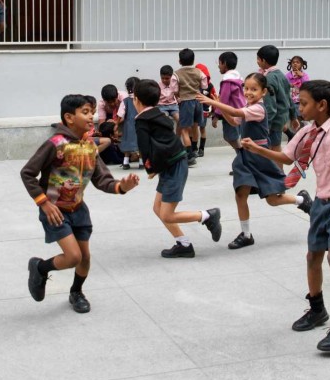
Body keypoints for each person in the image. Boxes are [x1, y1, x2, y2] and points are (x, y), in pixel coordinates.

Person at [240, 80, 330, 353]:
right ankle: (317, 309)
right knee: (312, 257)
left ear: (322, 105)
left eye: (303, 103)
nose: (299, 106)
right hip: (321, 203)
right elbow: (285, 158)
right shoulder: (307, 132)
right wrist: (256, 149)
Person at [23, 94, 140, 313]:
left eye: (91, 112)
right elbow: (28, 173)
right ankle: (39, 268)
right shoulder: (55, 144)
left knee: (84, 258)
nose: (91, 117)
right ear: (69, 117)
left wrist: (121, 187)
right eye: (85, 112)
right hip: (55, 211)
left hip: (78, 210)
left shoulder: (90, 146)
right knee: (73, 257)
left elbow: (101, 179)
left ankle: (76, 291)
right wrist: (44, 204)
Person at [199, 72, 311, 250]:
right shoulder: (247, 105)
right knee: (240, 194)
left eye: (254, 89)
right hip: (245, 156)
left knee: (273, 200)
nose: (249, 92)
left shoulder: (258, 108)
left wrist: (214, 103)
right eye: (246, 88)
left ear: (264, 92)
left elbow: (236, 112)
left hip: (260, 156)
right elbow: (235, 120)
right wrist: (221, 108)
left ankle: (301, 200)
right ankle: (246, 234)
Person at [133, 79, 222, 258]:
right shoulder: (160, 114)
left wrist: (150, 169)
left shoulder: (142, 120)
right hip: (172, 164)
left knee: (166, 214)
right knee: (158, 208)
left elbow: (144, 147)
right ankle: (184, 244)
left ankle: (207, 215)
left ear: (136, 100)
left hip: (174, 167)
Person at [258, 45, 299, 147]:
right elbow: (288, 98)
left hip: (274, 122)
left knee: (274, 150)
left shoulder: (269, 79)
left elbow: (270, 107)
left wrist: (265, 126)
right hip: (280, 119)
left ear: (263, 60)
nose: (257, 61)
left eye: (258, 59)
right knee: (275, 149)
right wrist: (293, 117)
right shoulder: (281, 75)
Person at [174, 48, 204, 165]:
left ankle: (190, 155)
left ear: (180, 61)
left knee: (184, 129)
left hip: (186, 101)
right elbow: (204, 85)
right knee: (195, 126)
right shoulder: (199, 71)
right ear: (193, 60)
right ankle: (195, 149)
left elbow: (174, 89)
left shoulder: (176, 74)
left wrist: (179, 94)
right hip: (198, 100)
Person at [118, 77, 140, 170]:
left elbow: (120, 114)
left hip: (128, 125)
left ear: (127, 88)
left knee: (127, 143)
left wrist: (117, 124)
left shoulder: (125, 101)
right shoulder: (141, 99)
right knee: (141, 144)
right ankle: (142, 163)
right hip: (140, 124)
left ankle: (126, 162)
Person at [195, 62, 213, 157]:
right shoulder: (193, 85)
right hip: (193, 110)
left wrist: (213, 111)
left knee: (202, 128)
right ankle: (193, 148)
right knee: (192, 128)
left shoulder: (210, 86)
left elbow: (214, 98)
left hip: (204, 110)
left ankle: (201, 149)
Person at [157, 64, 179, 128]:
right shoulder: (158, 85)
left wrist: (178, 99)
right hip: (162, 106)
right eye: (162, 78)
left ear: (171, 77)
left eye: (167, 78)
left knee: (180, 120)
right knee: (165, 121)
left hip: (173, 105)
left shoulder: (174, 84)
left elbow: (177, 94)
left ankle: (177, 137)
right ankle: (168, 136)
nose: (164, 80)